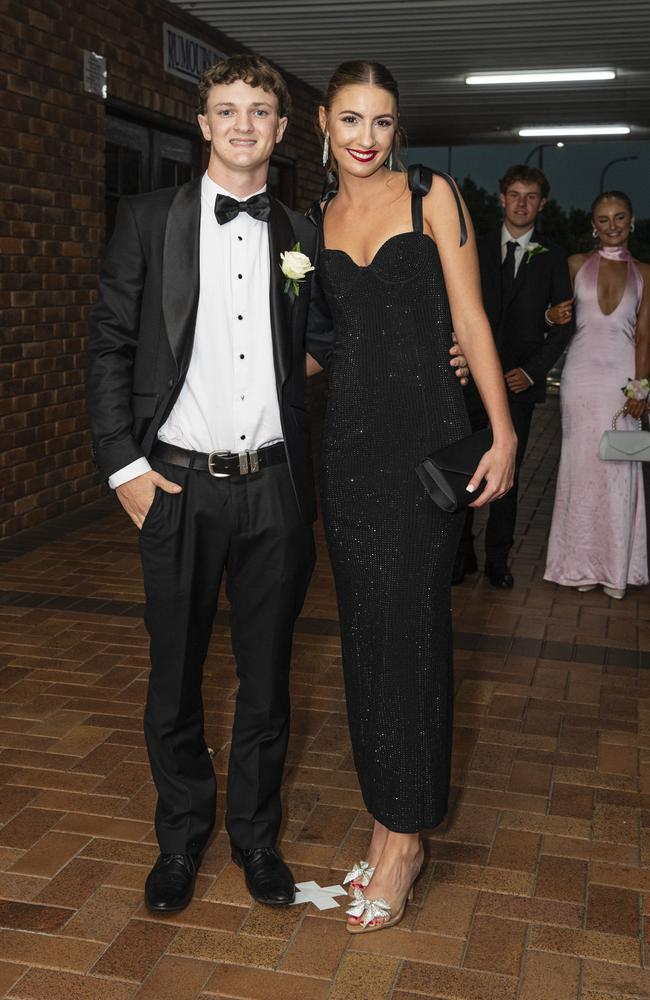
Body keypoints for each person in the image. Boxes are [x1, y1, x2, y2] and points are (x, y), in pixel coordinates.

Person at [86, 53, 467, 915]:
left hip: (275, 491)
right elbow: (107, 345)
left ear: (287, 128)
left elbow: (339, 332)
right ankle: (180, 842)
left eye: (260, 111)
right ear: (204, 121)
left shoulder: (303, 232)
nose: (245, 125)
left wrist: (439, 350)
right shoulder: (148, 220)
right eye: (228, 110)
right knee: (175, 680)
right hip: (174, 488)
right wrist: (125, 469)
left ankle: (258, 841)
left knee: (266, 682)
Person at [310, 60, 516, 933]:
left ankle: (406, 838)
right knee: (365, 640)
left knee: (415, 637)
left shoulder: (433, 194)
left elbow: (471, 319)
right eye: (351, 119)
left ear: (400, 129)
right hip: (346, 455)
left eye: (382, 122)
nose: (366, 137)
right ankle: (384, 813)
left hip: (426, 448)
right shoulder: (310, 218)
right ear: (324, 122)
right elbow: (316, 349)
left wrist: (501, 432)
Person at [454, 165, 575, 588]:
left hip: (518, 386)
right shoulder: (476, 247)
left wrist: (532, 371)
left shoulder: (553, 256)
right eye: (515, 194)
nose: (521, 203)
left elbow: (564, 325)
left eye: (531, 196)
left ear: (542, 204)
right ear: (501, 198)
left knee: (509, 473)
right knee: (466, 469)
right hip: (470, 381)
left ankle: (497, 561)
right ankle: (461, 555)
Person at [545, 190, 650, 598]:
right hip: (580, 380)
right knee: (580, 469)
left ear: (632, 221)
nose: (612, 226)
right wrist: (550, 315)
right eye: (604, 219)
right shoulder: (575, 265)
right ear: (593, 224)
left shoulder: (645, 272)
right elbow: (557, 317)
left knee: (621, 469)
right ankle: (577, 565)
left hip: (623, 382)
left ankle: (617, 567)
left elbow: (644, 338)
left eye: (619, 218)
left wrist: (641, 389)